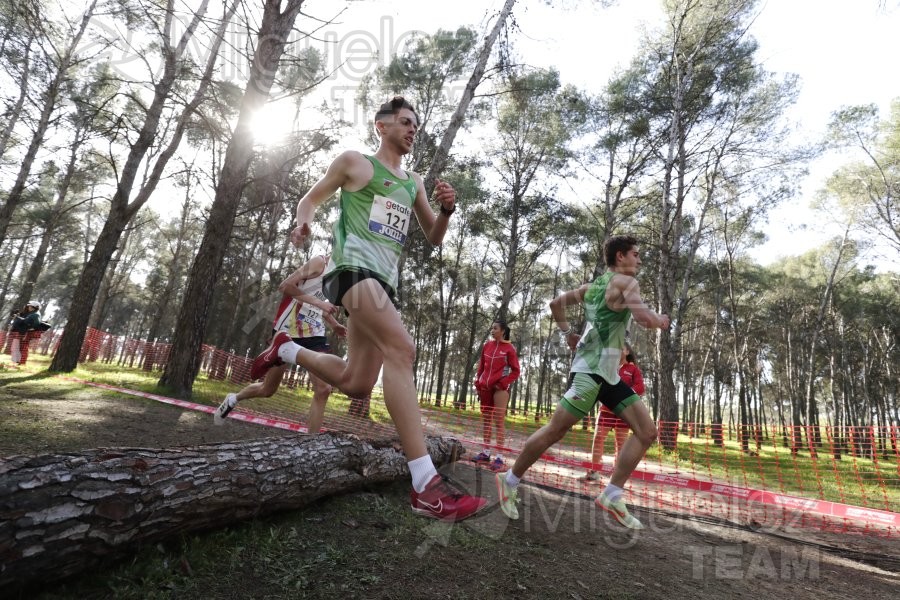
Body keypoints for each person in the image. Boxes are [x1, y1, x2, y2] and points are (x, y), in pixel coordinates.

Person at [249, 96, 487, 522]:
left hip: (383, 284)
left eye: (416, 124)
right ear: (381, 126)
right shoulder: (355, 163)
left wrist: (448, 211)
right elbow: (311, 199)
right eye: (405, 122)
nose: (413, 129)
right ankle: (425, 485)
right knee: (403, 350)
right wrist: (302, 223)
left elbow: (433, 237)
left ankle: (285, 349)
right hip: (351, 272)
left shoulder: (412, 181)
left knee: (357, 383)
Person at [494, 235, 670, 530]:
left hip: (608, 375)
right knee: (556, 430)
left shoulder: (592, 287)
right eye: (635, 255)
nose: (639, 260)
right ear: (620, 257)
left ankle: (612, 494)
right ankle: (508, 480)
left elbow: (555, 304)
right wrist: (660, 319)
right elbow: (643, 319)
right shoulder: (627, 283)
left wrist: (567, 334)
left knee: (647, 431)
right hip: (590, 372)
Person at [214, 255, 346, 433]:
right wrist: (320, 303)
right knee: (267, 389)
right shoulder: (320, 263)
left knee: (323, 389)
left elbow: (318, 306)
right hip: (288, 331)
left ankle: (311, 444)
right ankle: (234, 398)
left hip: (314, 333)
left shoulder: (341, 273)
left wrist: (334, 324)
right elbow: (285, 286)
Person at [584, 343, 644, 481]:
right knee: (598, 438)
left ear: (627, 351)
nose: (617, 350)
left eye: (621, 347)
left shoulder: (633, 369)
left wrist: (624, 395)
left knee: (621, 444)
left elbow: (640, 387)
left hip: (624, 412)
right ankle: (594, 472)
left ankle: (615, 476)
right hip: (605, 411)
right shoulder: (608, 365)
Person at [471, 319, 521, 472]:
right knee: (487, 421)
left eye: (495, 328)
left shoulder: (509, 349)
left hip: (500, 389)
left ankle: (499, 457)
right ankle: (485, 453)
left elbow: (516, 371)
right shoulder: (487, 346)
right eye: (491, 328)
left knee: (499, 422)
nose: (492, 331)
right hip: (485, 387)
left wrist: (503, 383)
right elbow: (481, 368)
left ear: (503, 331)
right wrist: (478, 384)